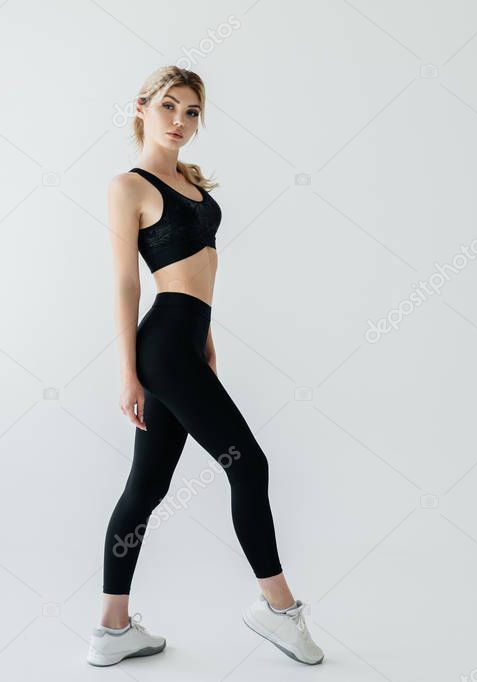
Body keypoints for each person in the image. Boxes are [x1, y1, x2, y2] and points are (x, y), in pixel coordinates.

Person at [86, 65, 324, 668]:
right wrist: (127, 374)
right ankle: (277, 607)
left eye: (192, 112)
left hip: (188, 343)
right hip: (160, 345)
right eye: (169, 106)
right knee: (249, 464)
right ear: (141, 107)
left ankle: (113, 628)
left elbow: (200, 272)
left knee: (148, 486)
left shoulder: (192, 184)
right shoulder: (129, 186)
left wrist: (207, 337)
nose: (180, 121)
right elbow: (124, 283)